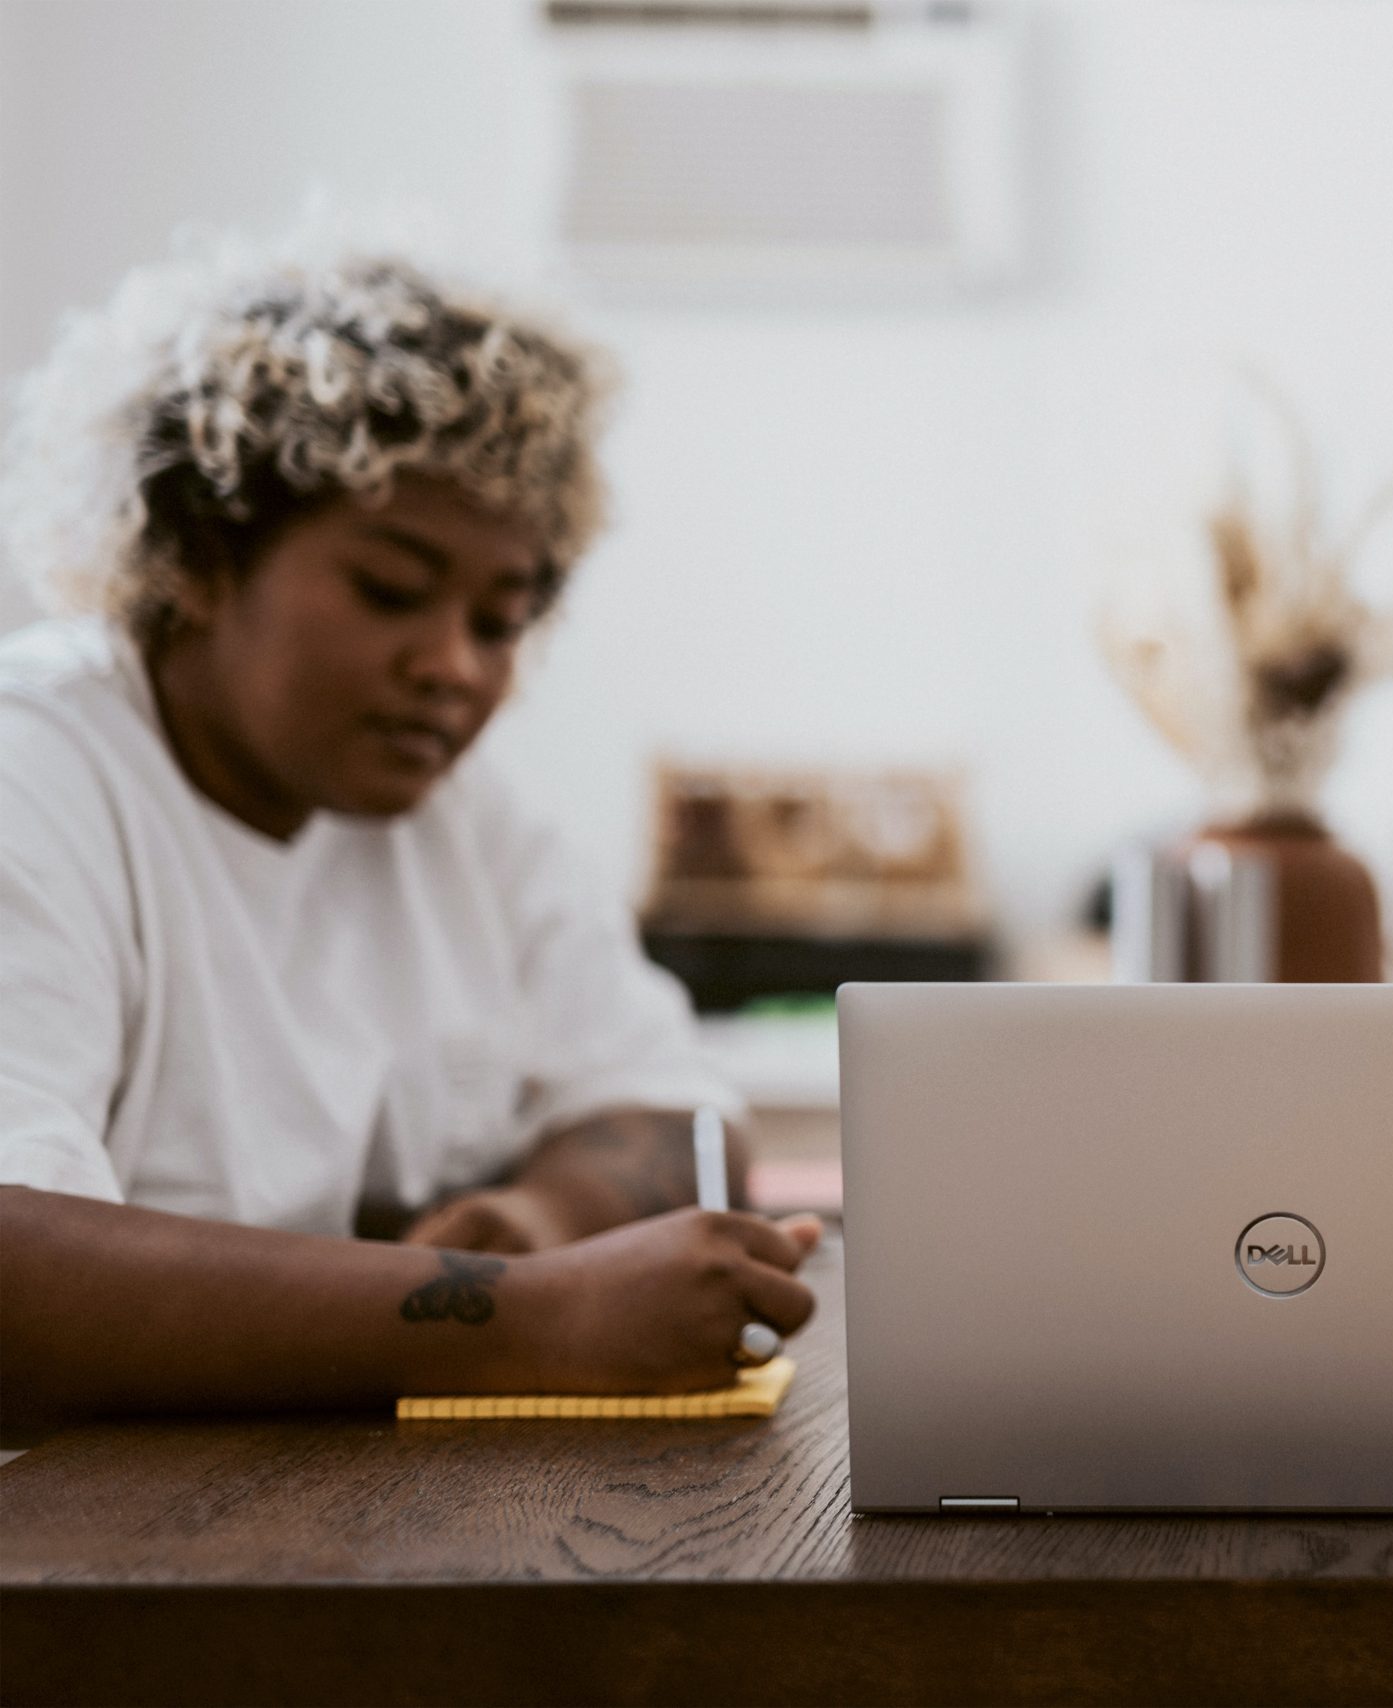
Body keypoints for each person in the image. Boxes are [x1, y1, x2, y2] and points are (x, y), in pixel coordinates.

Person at [0, 240, 819, 1439]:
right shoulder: (39, 773)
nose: (455, 668)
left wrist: (542, 1215)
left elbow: (678, 1115)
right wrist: (530, 1316)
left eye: (503, 619)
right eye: (390, 589)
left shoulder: (462, 821)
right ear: (199, 558)